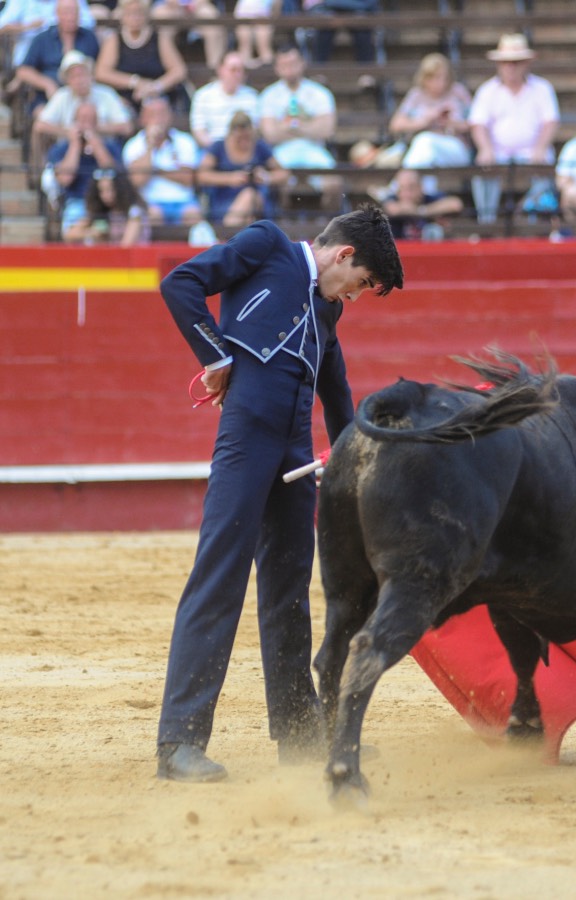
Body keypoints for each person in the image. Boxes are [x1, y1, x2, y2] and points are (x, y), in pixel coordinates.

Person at [155, 204, 404, 783]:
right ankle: (179, 743)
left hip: (294, 453)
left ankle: (297, 734)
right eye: (361, 282)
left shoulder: (327, 308)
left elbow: (336, 388)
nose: (355, 295)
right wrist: (216, 355)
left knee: (289, 589)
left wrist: (353, 459)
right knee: (219, 574)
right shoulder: (267, 245)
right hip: (245, 439)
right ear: (344, 254)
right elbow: (181, 283)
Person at [467, 33, 559, 224]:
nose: (510, 67)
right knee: (482, 169)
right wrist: (485, 148)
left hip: (533, 150)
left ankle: (532, 219)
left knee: (545, 167)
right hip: (497, 152)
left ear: (526, 63)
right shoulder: (487, 90)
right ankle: (486, 221)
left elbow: (550, 122)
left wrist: (540, 148)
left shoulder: (542, 88)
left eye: (516, 62)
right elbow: (478, 124)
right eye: (506, 62)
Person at [257, 42, 342, 211]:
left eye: (293, 63)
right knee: (277, 182)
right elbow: (269, 134)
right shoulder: (268, 95)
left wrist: (290, 126)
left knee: (334, 183)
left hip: (314, 150)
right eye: (284, 65)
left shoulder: (320, 93)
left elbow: (326, 130)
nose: (289, 69)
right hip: (281, 152)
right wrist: (309, 126)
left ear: (302, 63)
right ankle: (283, 219)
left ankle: (328, 221)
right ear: (277, 67)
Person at [33, 49, 133, 170]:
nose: (79, 80)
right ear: (67, 80)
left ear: (91, 75)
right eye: (74, 76)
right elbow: (40, 125)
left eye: (82, 74)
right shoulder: (61, 96)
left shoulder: (107, 94)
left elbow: (127, 127)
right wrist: (68, 132)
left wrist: (95, 129)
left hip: (104, 145)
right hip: (68, 147)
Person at [41, 100, 122, 237]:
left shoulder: (110, 147)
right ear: (74, 121)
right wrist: (75, 145)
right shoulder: (61, 149)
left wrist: (96, 145)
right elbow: (65, 179)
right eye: (83, 119)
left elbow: (114, 174)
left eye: (91, 120)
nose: (86, 125)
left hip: (106, 204)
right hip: (77, 201)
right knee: (73, 232)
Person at [388, 52, 472, 183]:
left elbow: (476, 122)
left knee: (425, 142)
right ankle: (419, 193)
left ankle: (396, 188)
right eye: (435, 77)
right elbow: (396, 124)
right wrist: (423, 122)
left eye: (444, 77)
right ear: (425, 78)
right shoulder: (416, 95)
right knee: (427, 156)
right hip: (426, 151)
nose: (440, 83)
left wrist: (451, 123)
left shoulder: (458, 92)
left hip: (456, 148)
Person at [196, 110, 290, 226]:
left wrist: (266, 177)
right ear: (231, 134)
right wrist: (230, 179)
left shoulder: (260, 146)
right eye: (240, 138)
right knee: (248, 199)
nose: (244, 142)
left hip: (258, 202)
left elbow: (283, 174)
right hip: (224, 203)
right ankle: (230, 228)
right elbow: (201, 175)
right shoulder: (218, 148)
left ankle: (232, 230)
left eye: (248, 138)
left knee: (250, 195)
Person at [93, 0, 187, 114]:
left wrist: (155, 87)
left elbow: (178, 70)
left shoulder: (159, 38)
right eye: (130, 13)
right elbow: (101, 73)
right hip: (125, 99)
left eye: (138, 13)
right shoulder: (114, 39)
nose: (134, 17)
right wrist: (135, 82)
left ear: (146, 15)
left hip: (158, 98)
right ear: (122, 15)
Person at [123, 94, 203, 227]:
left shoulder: (185, 141)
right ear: (143, 119)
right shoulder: (133, 145)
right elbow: (137, 181)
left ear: (170, 116)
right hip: (150, 202)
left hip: (183, 201)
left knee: (193, 214)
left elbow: (188, 178)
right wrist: (150, 145)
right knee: (153, 214)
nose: (159, 120)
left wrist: (155, 170)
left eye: (163, 114)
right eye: (153, 115)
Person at [15, 0, 99, 115]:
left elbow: (98, 68)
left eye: (74, 12)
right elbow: (23, 70)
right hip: (49, 96)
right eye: (66, 12)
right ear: (57, 14)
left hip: (84, 95)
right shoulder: (43, 39)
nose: (70, 17)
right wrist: (47, 84)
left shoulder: (89, 37)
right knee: (44, 115)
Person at [189, 51, 259, 150]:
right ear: (220, 70)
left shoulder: (252, 96)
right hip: (212, 150)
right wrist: (218, 151)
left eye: (240, 70)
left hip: (244, 149)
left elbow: (254, 130)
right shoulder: (202, 96)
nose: (237, 74)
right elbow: (199, 131)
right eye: (233, 69)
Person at [66, 166, 150, 244]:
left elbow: (126, 245)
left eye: (110, 189)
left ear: (120, 189)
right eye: (101, 191)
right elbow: (69, 235)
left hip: (132, 255)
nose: (106, 195)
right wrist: (92, 233)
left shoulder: (134, 212)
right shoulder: (100, 212)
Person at [0, 0, 94, 68]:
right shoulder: (20, 2)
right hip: (28, 54)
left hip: (64, 50)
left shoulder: (69, 3)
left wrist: (66, 21)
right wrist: (27, 27)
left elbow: (89, 22)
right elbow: (2, 26)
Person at [380, 167, 462, 240]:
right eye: (401, 188)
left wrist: (420, 210)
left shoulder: (429, 199)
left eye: (411, 188)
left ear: (421, 187)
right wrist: (430, 212)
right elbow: (391, 208)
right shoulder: (392, 199)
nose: (406, 193)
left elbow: (455, 204)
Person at [150, 0, 226, 70]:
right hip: (170, 6)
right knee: (163, 21)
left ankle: (215, 69)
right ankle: (172, 69)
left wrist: (194, 4)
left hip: (199, 5)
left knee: (213, 22)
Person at [301, 0, 378, 68]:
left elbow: (369, 4)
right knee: (325, 26)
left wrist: (329, 2)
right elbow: (311, 5)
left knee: (361, 27)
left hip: (360, 17)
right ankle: (319, 73)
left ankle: (366, 73)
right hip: (328, 17)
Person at [233, 0, 280, 69]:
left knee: (264, 47)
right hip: (243, 13)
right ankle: (241, 71)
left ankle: (268, 71)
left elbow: (276, 8)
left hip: (263, 13)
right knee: (245, 47)